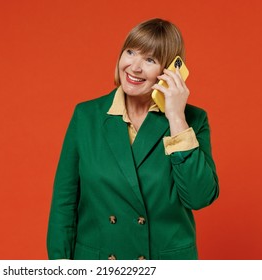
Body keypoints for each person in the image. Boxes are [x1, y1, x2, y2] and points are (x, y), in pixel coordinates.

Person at [47, 18, 219, 260]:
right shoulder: (86, 116)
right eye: (131, 52)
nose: (134, 67)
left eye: (150, 60)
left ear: (171, 71)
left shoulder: (192, 120)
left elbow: (199, 197)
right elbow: (63, 204)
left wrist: (176, 119)